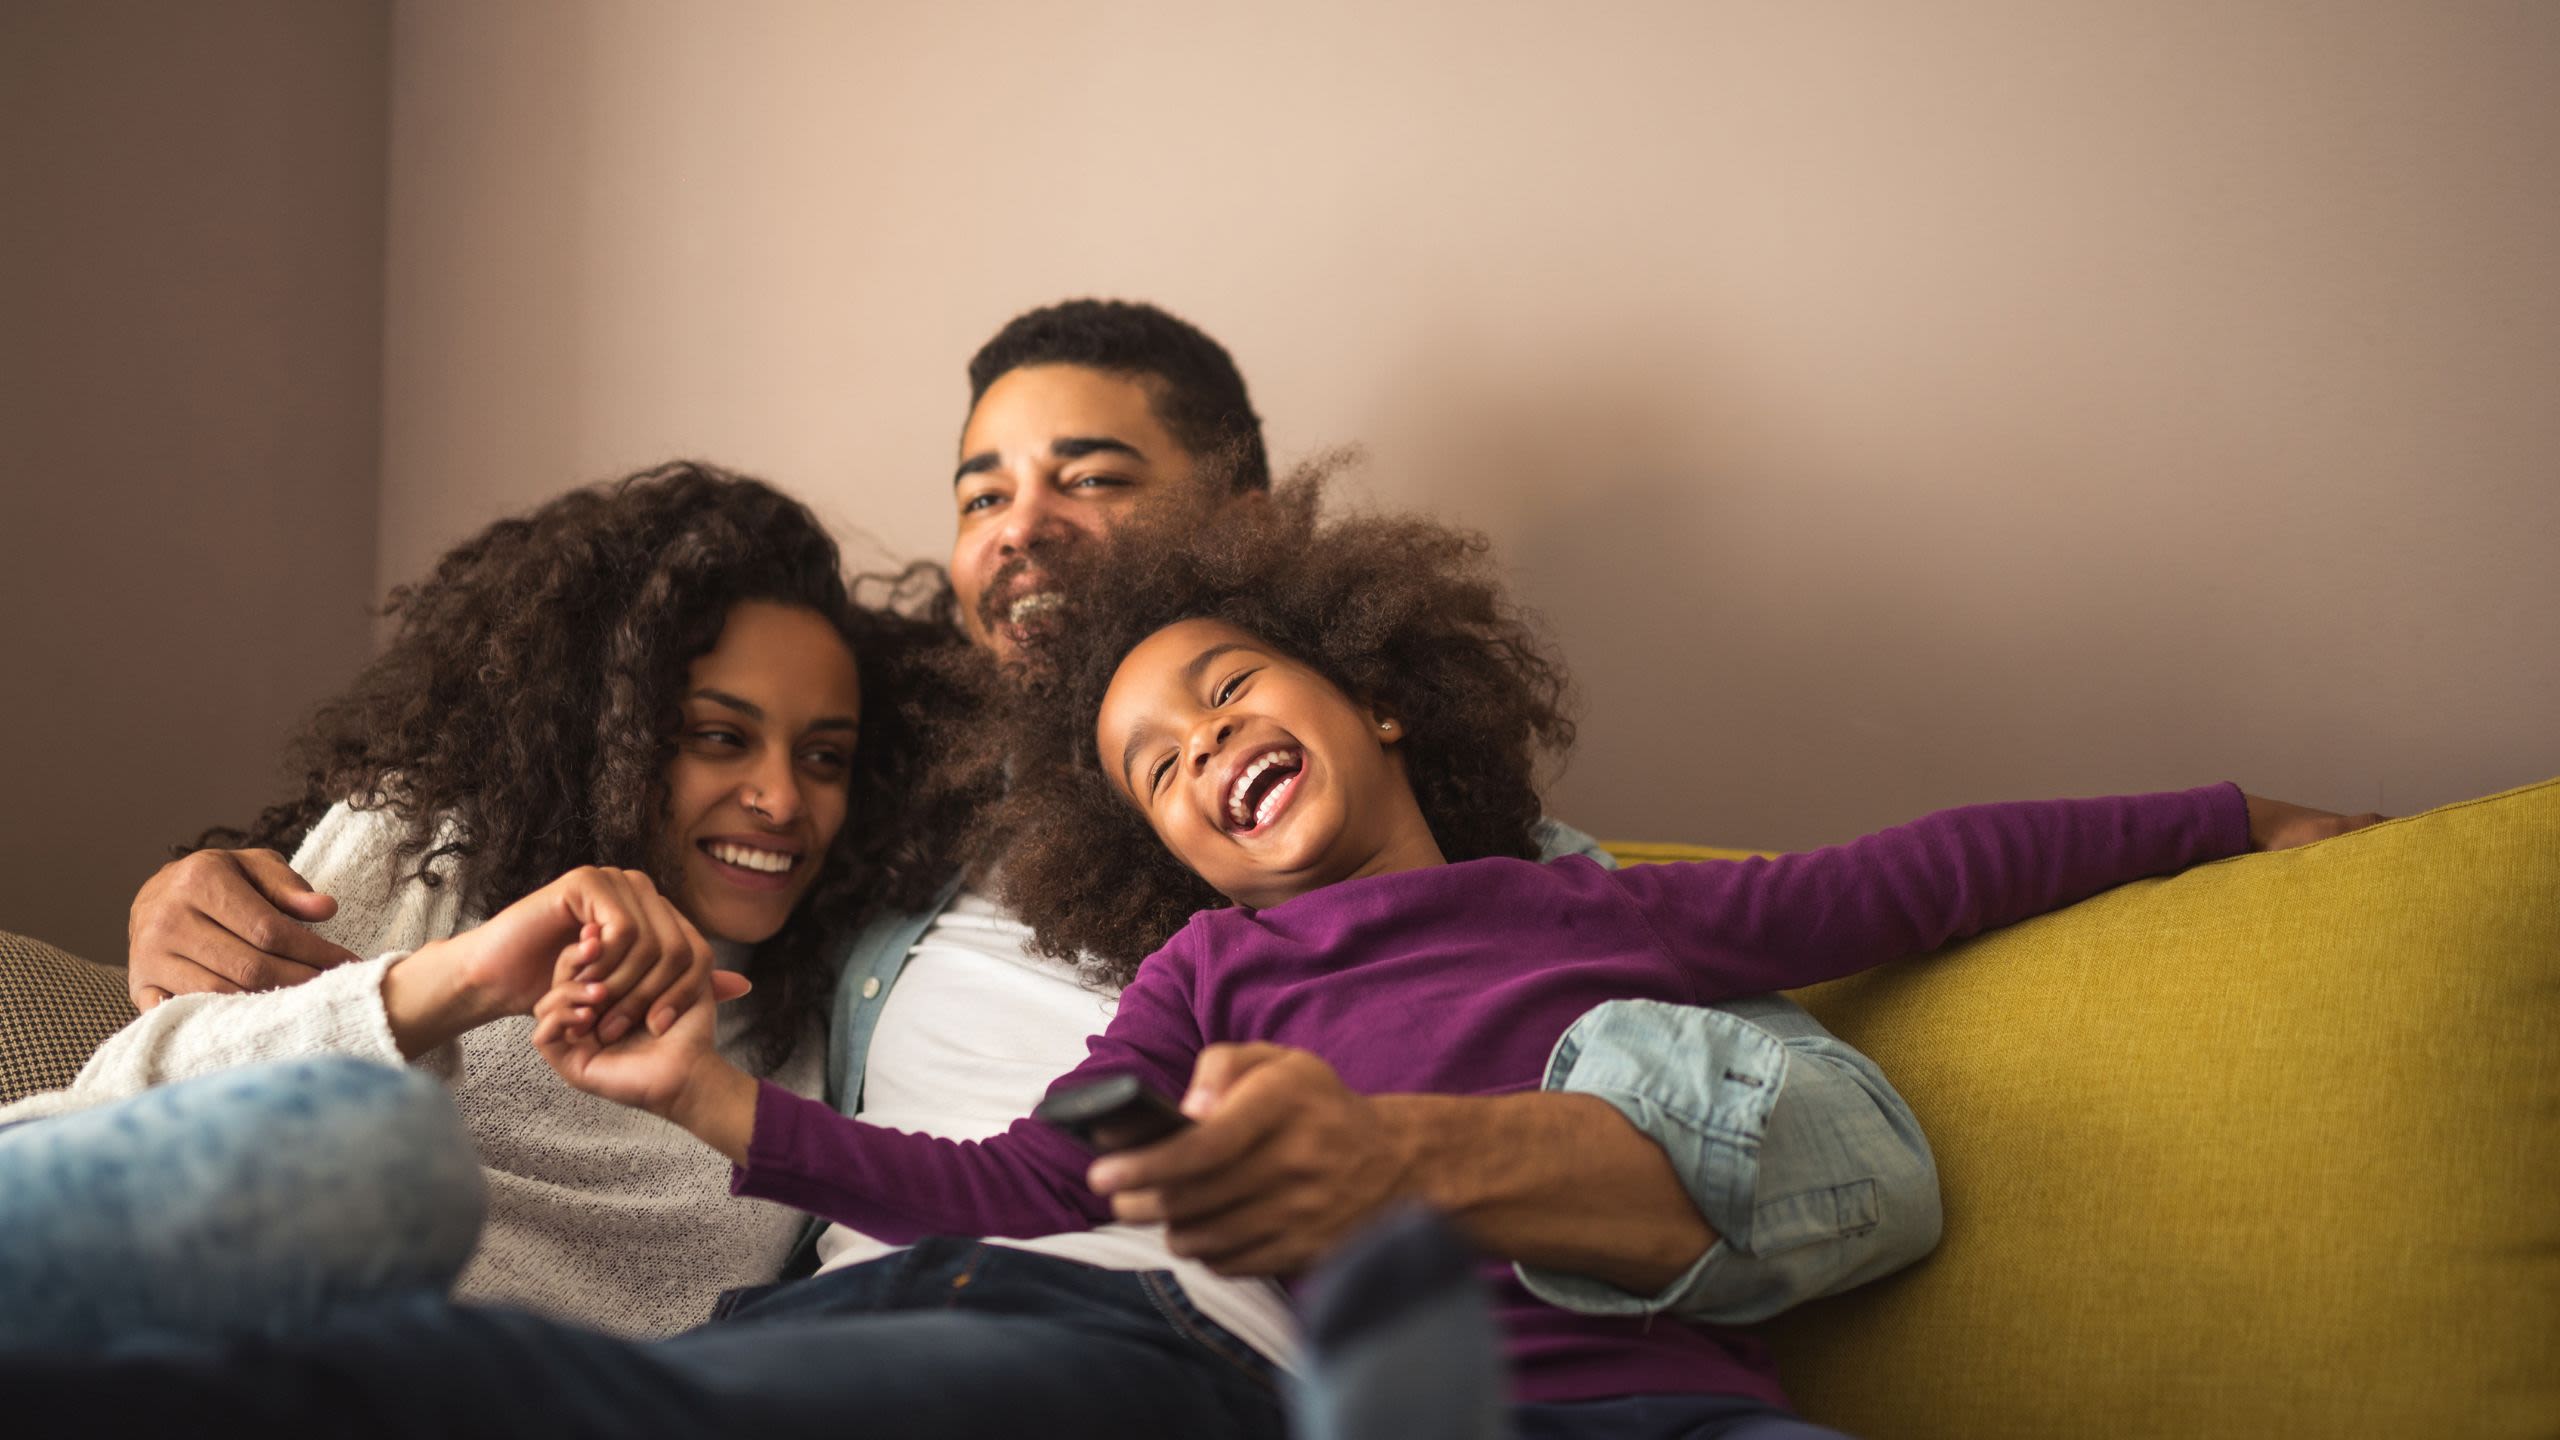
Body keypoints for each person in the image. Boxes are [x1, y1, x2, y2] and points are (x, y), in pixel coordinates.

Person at [55, 302, 1975, 1431]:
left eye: (1091, 479)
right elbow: (567, 765)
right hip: (837, 1325)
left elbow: (1856, 1173)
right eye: (982, 489)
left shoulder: (1420, 863)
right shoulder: (857, 801)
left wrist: (1407, 1155)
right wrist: (210, 872)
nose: (1019, 527)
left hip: (1147, 1345)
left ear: (1241, 529)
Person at [527, 472, 2373, 1438]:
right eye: (1154, 772)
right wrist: (707, 1102)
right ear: (1160, 854)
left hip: (1684, 1410)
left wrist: (2230, 816)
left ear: (1380, 695)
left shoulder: (1594, 905)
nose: (1202, 751)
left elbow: (1927, 877)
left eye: (1227, 691)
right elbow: (1007, 1182)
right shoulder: (1207, 987)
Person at [0, 460, 946, 1341]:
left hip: (452, 1390)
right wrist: (463, 980)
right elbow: (115, 1109)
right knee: (391, 1147)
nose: (782, 799)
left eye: (825, 757)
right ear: (612, 728)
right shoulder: (427, 849)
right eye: (720, 738)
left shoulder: (807, 1037)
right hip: (166, 1307)